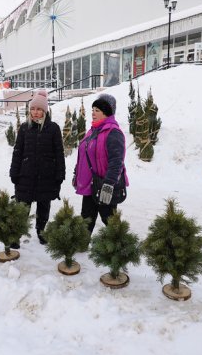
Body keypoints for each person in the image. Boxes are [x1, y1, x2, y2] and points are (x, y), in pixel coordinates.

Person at [9, 89, 65, 246]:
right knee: (22, 209)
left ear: (45, 111)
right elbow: (17, 151)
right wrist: (14, 172)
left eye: (39, 109)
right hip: (25, 176)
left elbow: (59, 154)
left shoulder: (53, 129)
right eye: (32, 109)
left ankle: (41, 231)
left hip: (46, 177)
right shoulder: (24, 128)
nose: (35, 112)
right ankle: (16, 236)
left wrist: (60, 175)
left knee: (43, 208)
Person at [73, 93, 128, 235]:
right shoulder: (92, 131)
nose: (93, 113)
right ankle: (82, 245)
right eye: (92, 110)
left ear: (107, 112)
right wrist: (76, 174)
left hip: (104, 185)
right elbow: (83, 155)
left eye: (97, 110)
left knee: (109, 220)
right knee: (86, 218)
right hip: (90, 185)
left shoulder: (113, 132)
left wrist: (109, 185)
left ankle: (119, 248)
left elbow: (117, 161)